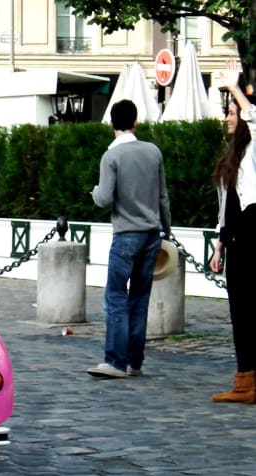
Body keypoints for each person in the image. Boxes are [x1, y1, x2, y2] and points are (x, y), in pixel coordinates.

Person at [88, 99, 172, 379]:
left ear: (112, 123)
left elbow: (104, 198)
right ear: (135, 122)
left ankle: (115, 361)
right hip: (152, 234)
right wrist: (166, 230)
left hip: (125, 234)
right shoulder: (153, 152)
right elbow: (163, 197)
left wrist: (94, 191)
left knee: (115, 296)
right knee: (139, 297)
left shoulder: (111, 157)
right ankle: (135, 360)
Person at [208, 63, 256, 403]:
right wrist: (219, 244)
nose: (227, 118)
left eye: (232, 113)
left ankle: (247, 383)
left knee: (250, 310)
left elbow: (255, 117)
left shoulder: (253, 152)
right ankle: (245, 381)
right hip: (237, 240)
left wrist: (236, 89)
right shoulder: (234, 157)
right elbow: (226, 206)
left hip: (253, 235)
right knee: (240, 312)